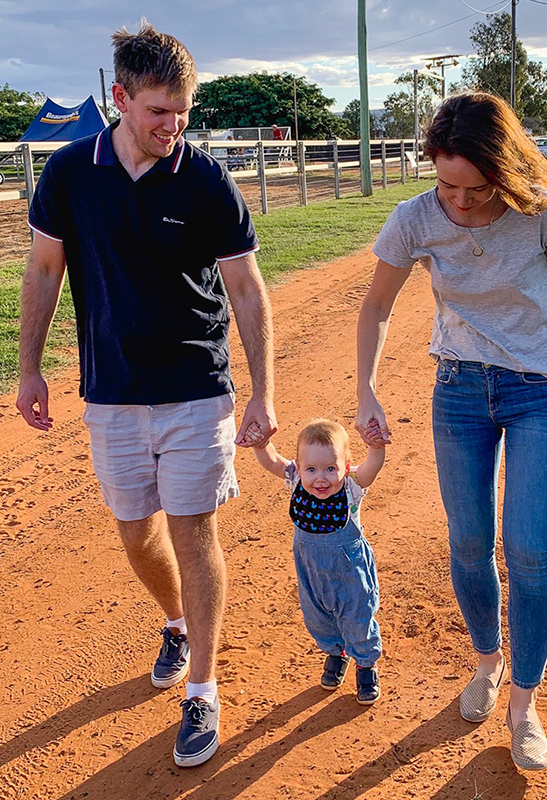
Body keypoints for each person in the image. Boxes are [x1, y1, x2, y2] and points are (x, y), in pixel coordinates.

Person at [16, 22, 277, 768]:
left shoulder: (203, 178)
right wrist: (31, 369)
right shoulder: (69, 174)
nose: (173, 126)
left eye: (184, 110)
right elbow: (42, 273)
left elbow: (247, 290)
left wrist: (261, 391)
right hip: (112, 390)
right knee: (136, 531)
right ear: (121, 99)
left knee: (193, 530)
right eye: (160, 110)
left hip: (196, 384)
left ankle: (203, 689)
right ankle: (176, 623)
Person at [355, 92, 547, 771]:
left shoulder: (543, 213)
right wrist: (366, 387)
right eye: (445, 184)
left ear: (504, 170)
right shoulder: (415, 218)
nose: (458, 202)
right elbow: (376, 303)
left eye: (475, 186)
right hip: (460, 389)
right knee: (466, 542)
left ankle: (524, 702)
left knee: (525, 549)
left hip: (541, 392)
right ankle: (487, 663)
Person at [251, 419, 384, 704]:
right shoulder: (296, 480)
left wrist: (375, 448)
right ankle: (337, 653)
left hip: (350, 570)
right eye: (311, 469)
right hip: (311, 570)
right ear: (299, 467)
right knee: (319, 618)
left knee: (357, 617)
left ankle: (365, 663)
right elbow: (273, 461)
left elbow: (372, 469)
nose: (320, 478)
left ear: (346, 467)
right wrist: (261, 445)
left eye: (330, 469)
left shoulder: (351, 487)